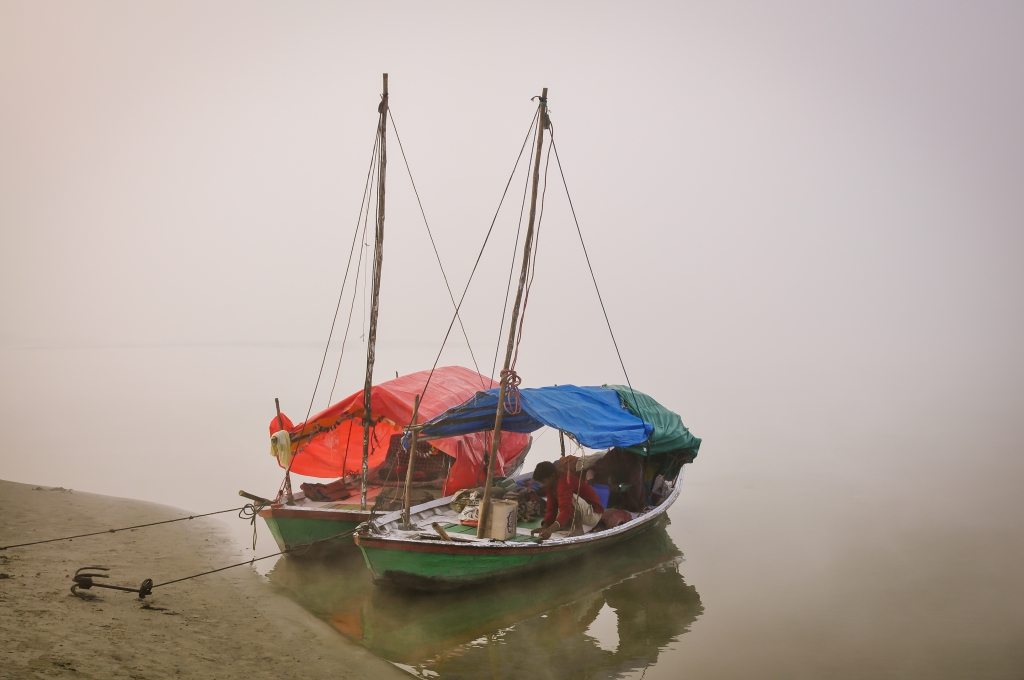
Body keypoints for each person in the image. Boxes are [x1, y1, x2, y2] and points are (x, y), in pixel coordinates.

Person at [530, 457, 604, 540]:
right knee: (561, 506)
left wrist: (550, 530)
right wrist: (545, 527)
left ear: (552, 476)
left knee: (571, 499)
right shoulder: (550, 486)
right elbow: (551, 509)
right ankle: (571, 527)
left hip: (593, 515)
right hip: (584, 514)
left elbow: (566, 510)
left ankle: (578, 529)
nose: (542, 485)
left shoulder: (565, 482)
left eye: (543, 482)